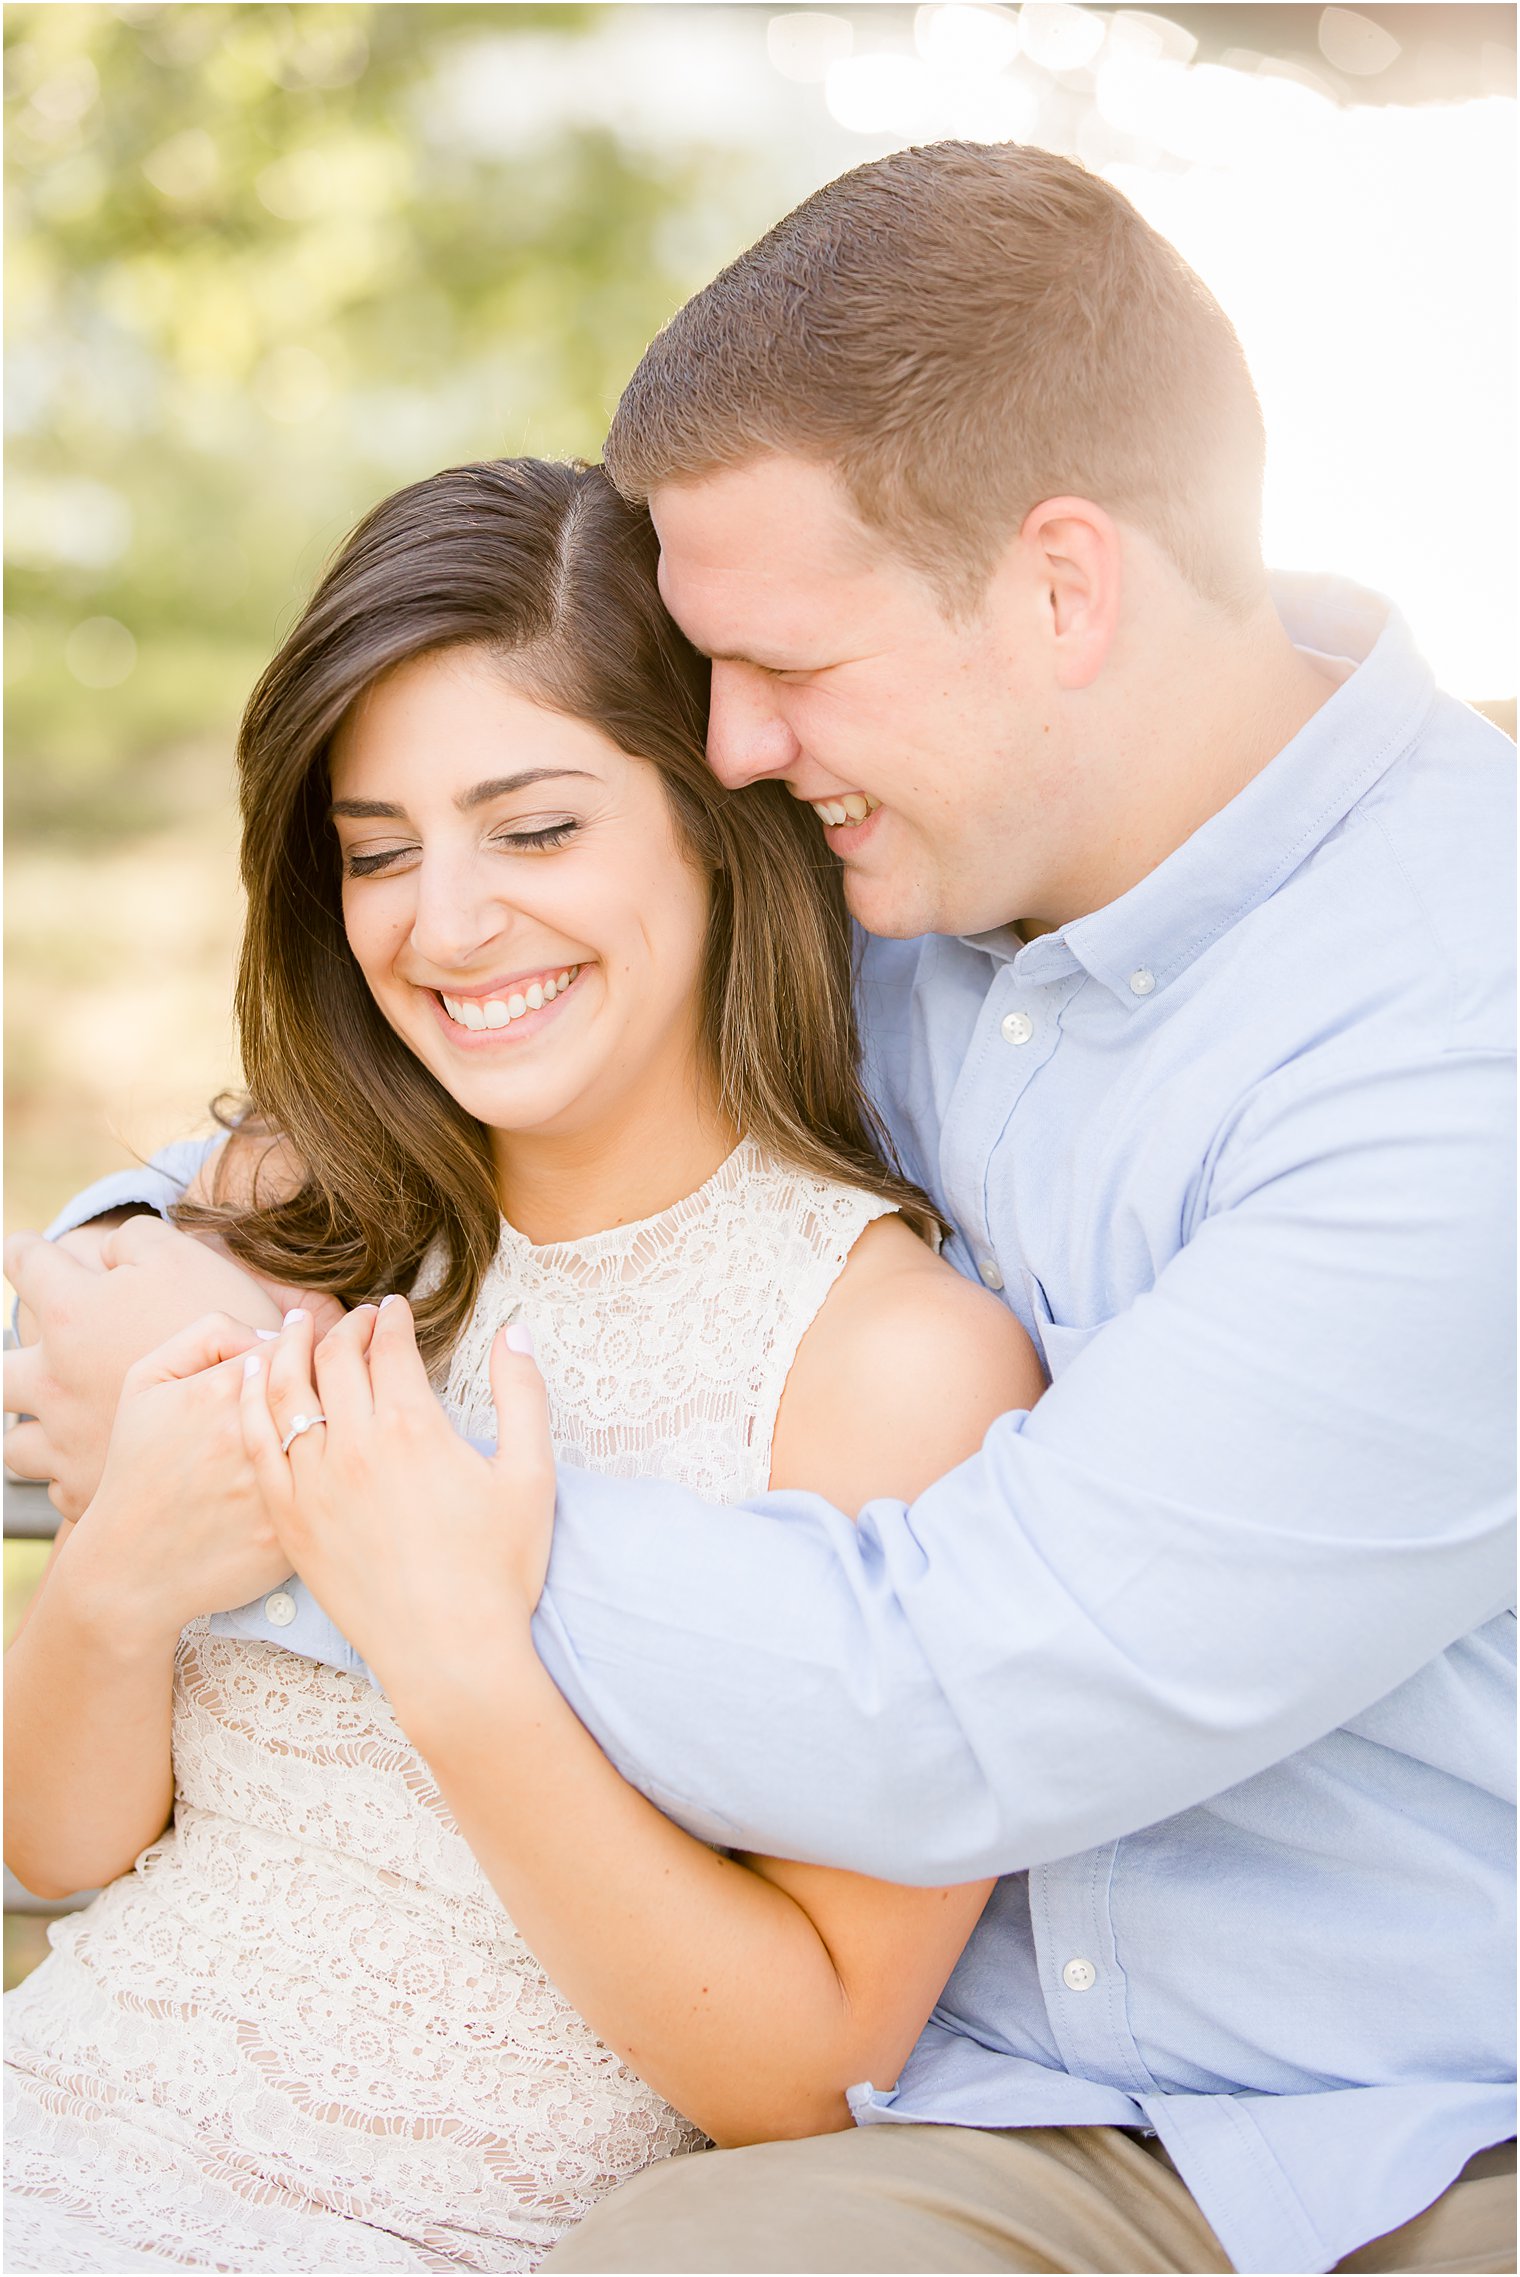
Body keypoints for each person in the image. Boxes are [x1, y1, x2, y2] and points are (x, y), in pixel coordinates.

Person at [7, 142, 1514, 2275]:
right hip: (918, 2072)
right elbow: (362, 1128)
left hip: (1306, 2120)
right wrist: (136, 1275)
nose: (728, 741)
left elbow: (947, 1700)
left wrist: (306, 1461)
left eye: (784, 664)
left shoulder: (1455, 1043)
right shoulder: (901, 879)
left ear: (1061, 585)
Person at [2, 456, 1043, 2272]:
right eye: (381, 850)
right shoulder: (297, 1211)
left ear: (716, 823)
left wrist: (453, 1651)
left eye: (535, 829)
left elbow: (808, 2072)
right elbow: (62, 1853)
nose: (446, 924)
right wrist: (111, 1584)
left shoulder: (893, 1364)